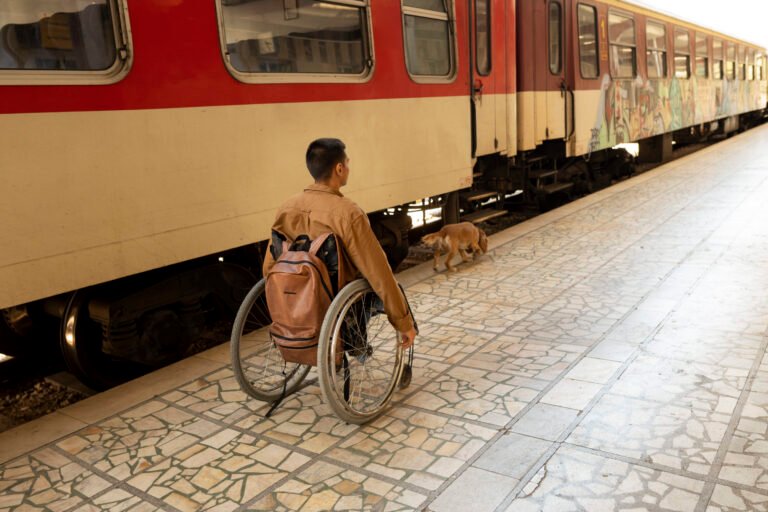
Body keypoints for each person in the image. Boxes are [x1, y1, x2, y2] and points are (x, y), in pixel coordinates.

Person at [263, 138, 417, 348]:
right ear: (339, 168)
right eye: (347, 164)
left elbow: (271, 263)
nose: (348, 168)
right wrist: (402, 320)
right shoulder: (348, 213)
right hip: (334, 298)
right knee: (388, 284)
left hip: (296, 294)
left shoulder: (286, 207)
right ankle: (360, 343)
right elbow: (376, 269)